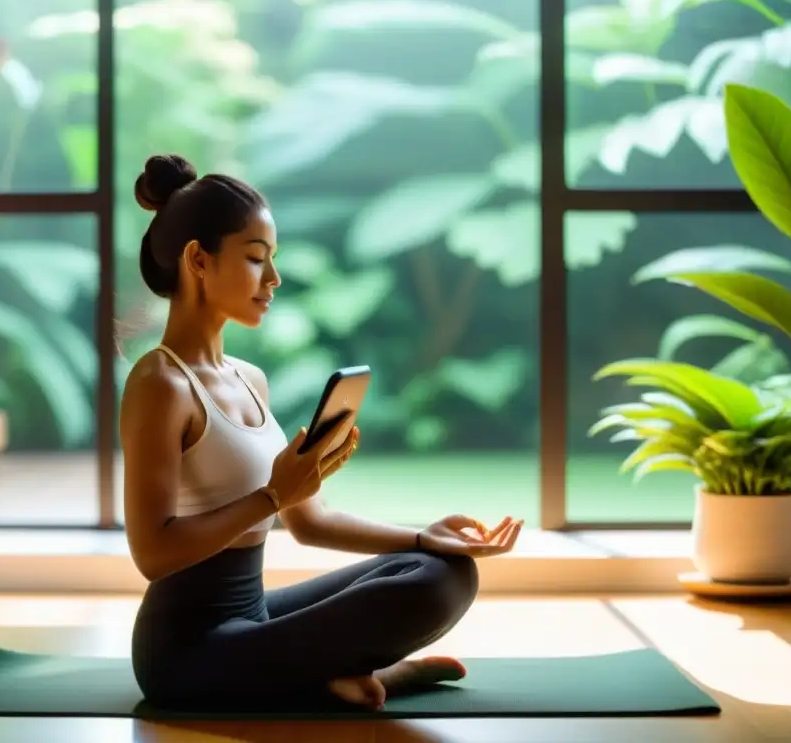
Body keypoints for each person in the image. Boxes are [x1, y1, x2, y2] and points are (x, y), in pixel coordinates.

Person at [119, 154, 524, 713]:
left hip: (253, 617)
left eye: (274, 260)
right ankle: (342, 675)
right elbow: (152, 553)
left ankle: (334, 673)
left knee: (443, 573)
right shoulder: (158, 384)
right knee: (432, 590)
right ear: (199, 260)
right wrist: (271, 496)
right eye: (257, 259)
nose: (274, 280)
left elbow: (311, 521)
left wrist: (423, 537)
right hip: (187, 653)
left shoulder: (248, 378)